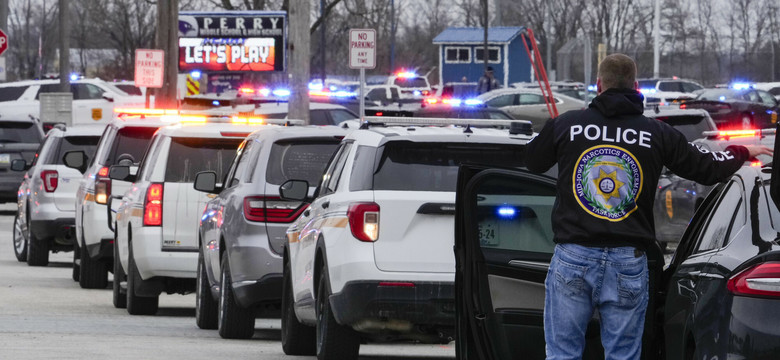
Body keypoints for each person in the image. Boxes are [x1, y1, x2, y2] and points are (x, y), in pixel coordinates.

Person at [525, 53, 772, 360]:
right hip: (629, 261)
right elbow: (705, 166)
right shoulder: (656, 133)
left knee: (562, 354)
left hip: (574, 255)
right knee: (623, 355)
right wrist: (741, 151)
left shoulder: (567, 125)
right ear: (637, 86)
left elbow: (531, 160)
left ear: (598, 85)